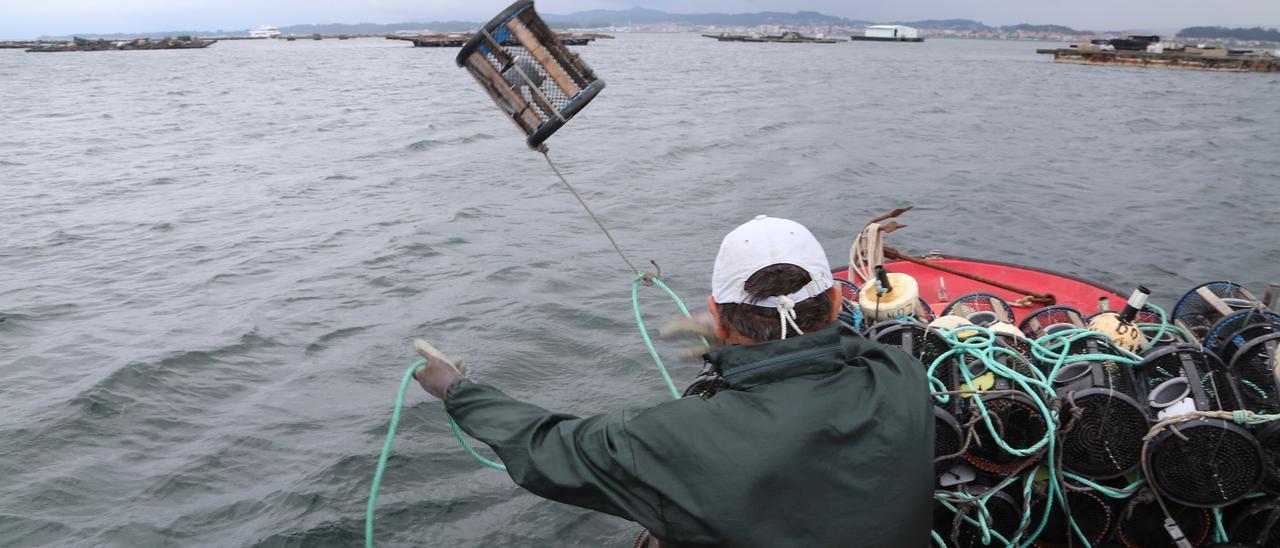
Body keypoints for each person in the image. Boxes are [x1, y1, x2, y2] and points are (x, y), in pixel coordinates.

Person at [414, 215, 934, 547]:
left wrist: (456, 389)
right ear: (841, 304)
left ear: (715, 311)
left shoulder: (668, 438)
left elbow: (544, 445)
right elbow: (853, 345)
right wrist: (732, 340)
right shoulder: (899, 376)